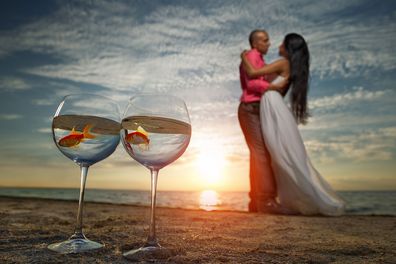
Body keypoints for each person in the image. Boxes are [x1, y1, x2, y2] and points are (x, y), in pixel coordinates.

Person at [241, 33, 345, 216]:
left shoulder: (282, 62)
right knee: (272, 153)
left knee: (270, 153)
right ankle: (262, 199)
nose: (275, 44)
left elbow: (253, 74)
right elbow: (254, 80)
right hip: (270, 106)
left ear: (289, 48)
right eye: (265, 40)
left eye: (282, 42)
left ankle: (264, 199)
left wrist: (243, 56)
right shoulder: (285, 64)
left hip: (270, 105)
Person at [238, 29, 289, 214]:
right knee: (261, 154)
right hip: (250, 109)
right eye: (265, 40)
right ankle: (266, 200)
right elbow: (251, 83)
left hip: (254, 109)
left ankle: (256, 202)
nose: (269, 43)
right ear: (255, 42)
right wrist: (272, 86)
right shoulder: (251, 55)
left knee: (257, 154)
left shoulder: (258, 58)